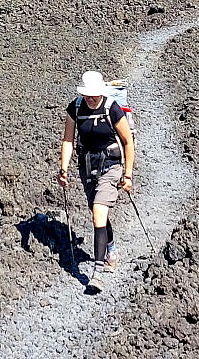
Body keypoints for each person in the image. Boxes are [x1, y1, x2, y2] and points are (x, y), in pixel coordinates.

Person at [57, 70, 135, 293]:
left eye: (94, 95)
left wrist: (127, 175)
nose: (91, 99)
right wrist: (64, 168)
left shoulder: (112, 108)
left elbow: (127, 142)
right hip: (88, 168)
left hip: (111, 166)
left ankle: (97, 274)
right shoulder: (76, 108)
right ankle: (111, 249)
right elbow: (68, 140)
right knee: (98, 212)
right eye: (87, 95)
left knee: (98, 213)